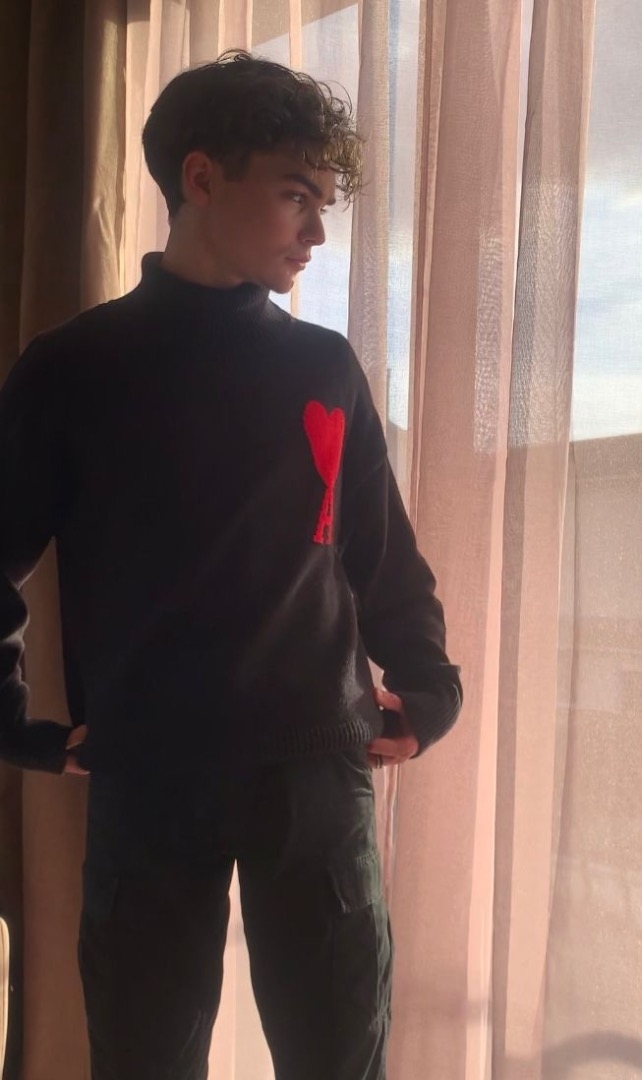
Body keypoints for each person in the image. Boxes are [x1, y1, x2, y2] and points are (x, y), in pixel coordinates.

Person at [0, 51, 462, 1080]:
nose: (317, 232)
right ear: (201, 178)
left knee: (338, 1054)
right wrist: (17, 727)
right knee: (143, 1056)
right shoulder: (74, 368)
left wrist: (429, 686)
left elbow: (378, 555)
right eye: (297, 195)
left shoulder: (322, 365)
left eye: (325, 203)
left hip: (317, 774)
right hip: (148, 774)